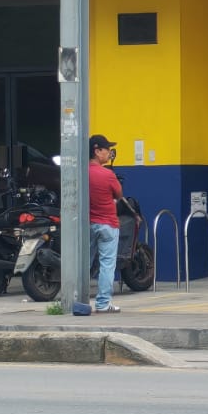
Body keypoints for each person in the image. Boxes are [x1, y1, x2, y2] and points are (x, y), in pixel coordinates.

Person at [88, 133, 123, 314]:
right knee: (107, 265)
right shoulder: (107, 174)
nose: (109, 153)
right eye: (107, 149)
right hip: (108, 224)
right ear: (97, 151)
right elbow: (118, 194)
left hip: (87, 225)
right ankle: (102, 304)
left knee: (84, 264)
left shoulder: (81, 173)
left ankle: (77, 299)